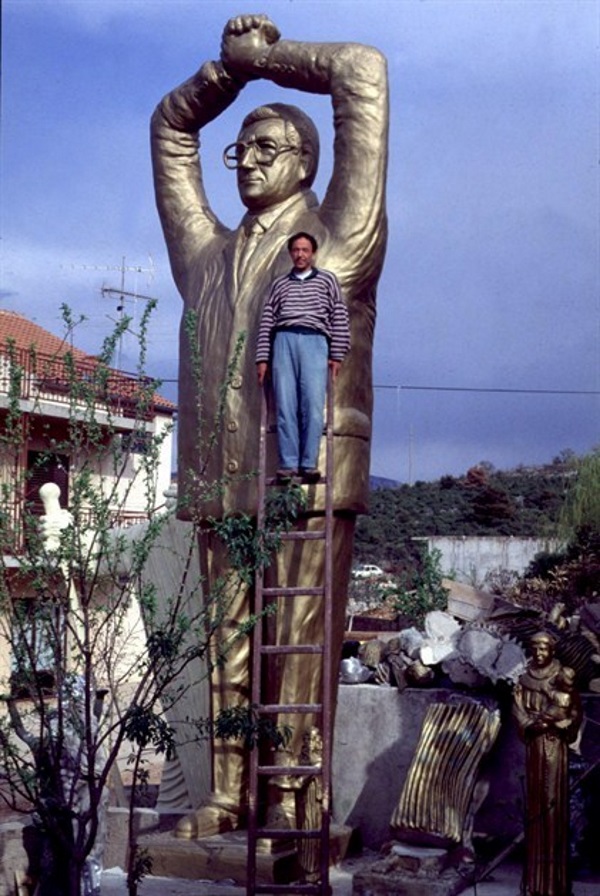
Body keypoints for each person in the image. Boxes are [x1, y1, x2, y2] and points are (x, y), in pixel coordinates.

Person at [151, 12, 388, 838]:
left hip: (309, 470)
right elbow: (169, 131)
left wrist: (272, 62)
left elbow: (361, 72)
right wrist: (223, 77)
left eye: (266, 150)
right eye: (240, 152)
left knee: (296, 641)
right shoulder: (204, 257)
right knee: (229, 651)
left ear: (307, 162)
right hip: (224, 477)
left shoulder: (340, 236)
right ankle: (228, 796)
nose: (246, 162)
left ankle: (294, 797)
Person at [255, 231, 350, 481]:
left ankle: (309, 463)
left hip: (315, 341)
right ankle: (288, 463)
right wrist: (262, 358)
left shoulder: (328, 281)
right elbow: (266, 321)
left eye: (305, 250)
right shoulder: (279, 284)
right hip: (284, 341)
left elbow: (339, 317)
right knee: (285, 405)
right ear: (290, 253)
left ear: (313, 253)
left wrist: (337, 354)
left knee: (312, 405)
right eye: (296, 250)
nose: (300, 254)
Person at [513, 632, 582, 896]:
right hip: (534, 746)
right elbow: (517, 709)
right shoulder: (524, 677)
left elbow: (574, 710)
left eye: (543, 649)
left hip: (555, 746)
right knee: (536, 805)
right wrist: (530, 723)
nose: (539, 654)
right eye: (535, 649)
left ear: (552, 651)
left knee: (553, 803)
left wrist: (566, 723)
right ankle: (535, 883)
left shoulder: (562, 677)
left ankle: (555, 884)